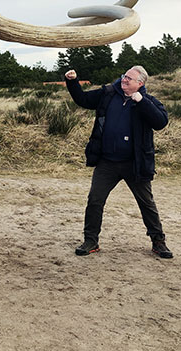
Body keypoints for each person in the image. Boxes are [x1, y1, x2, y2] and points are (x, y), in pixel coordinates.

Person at [65, 66, 173, 258]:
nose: (124, 80)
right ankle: (91, 241)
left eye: (129, 79)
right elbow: (82, 100)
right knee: (95, 201)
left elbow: (161, 122)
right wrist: (72, 82)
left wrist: (142, 102)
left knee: (146, 203)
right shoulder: (108, 94)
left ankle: (158, 242)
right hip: (107, 162)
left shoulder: (148, 101)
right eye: (124, 76)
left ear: (140, 83)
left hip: (135, 164)